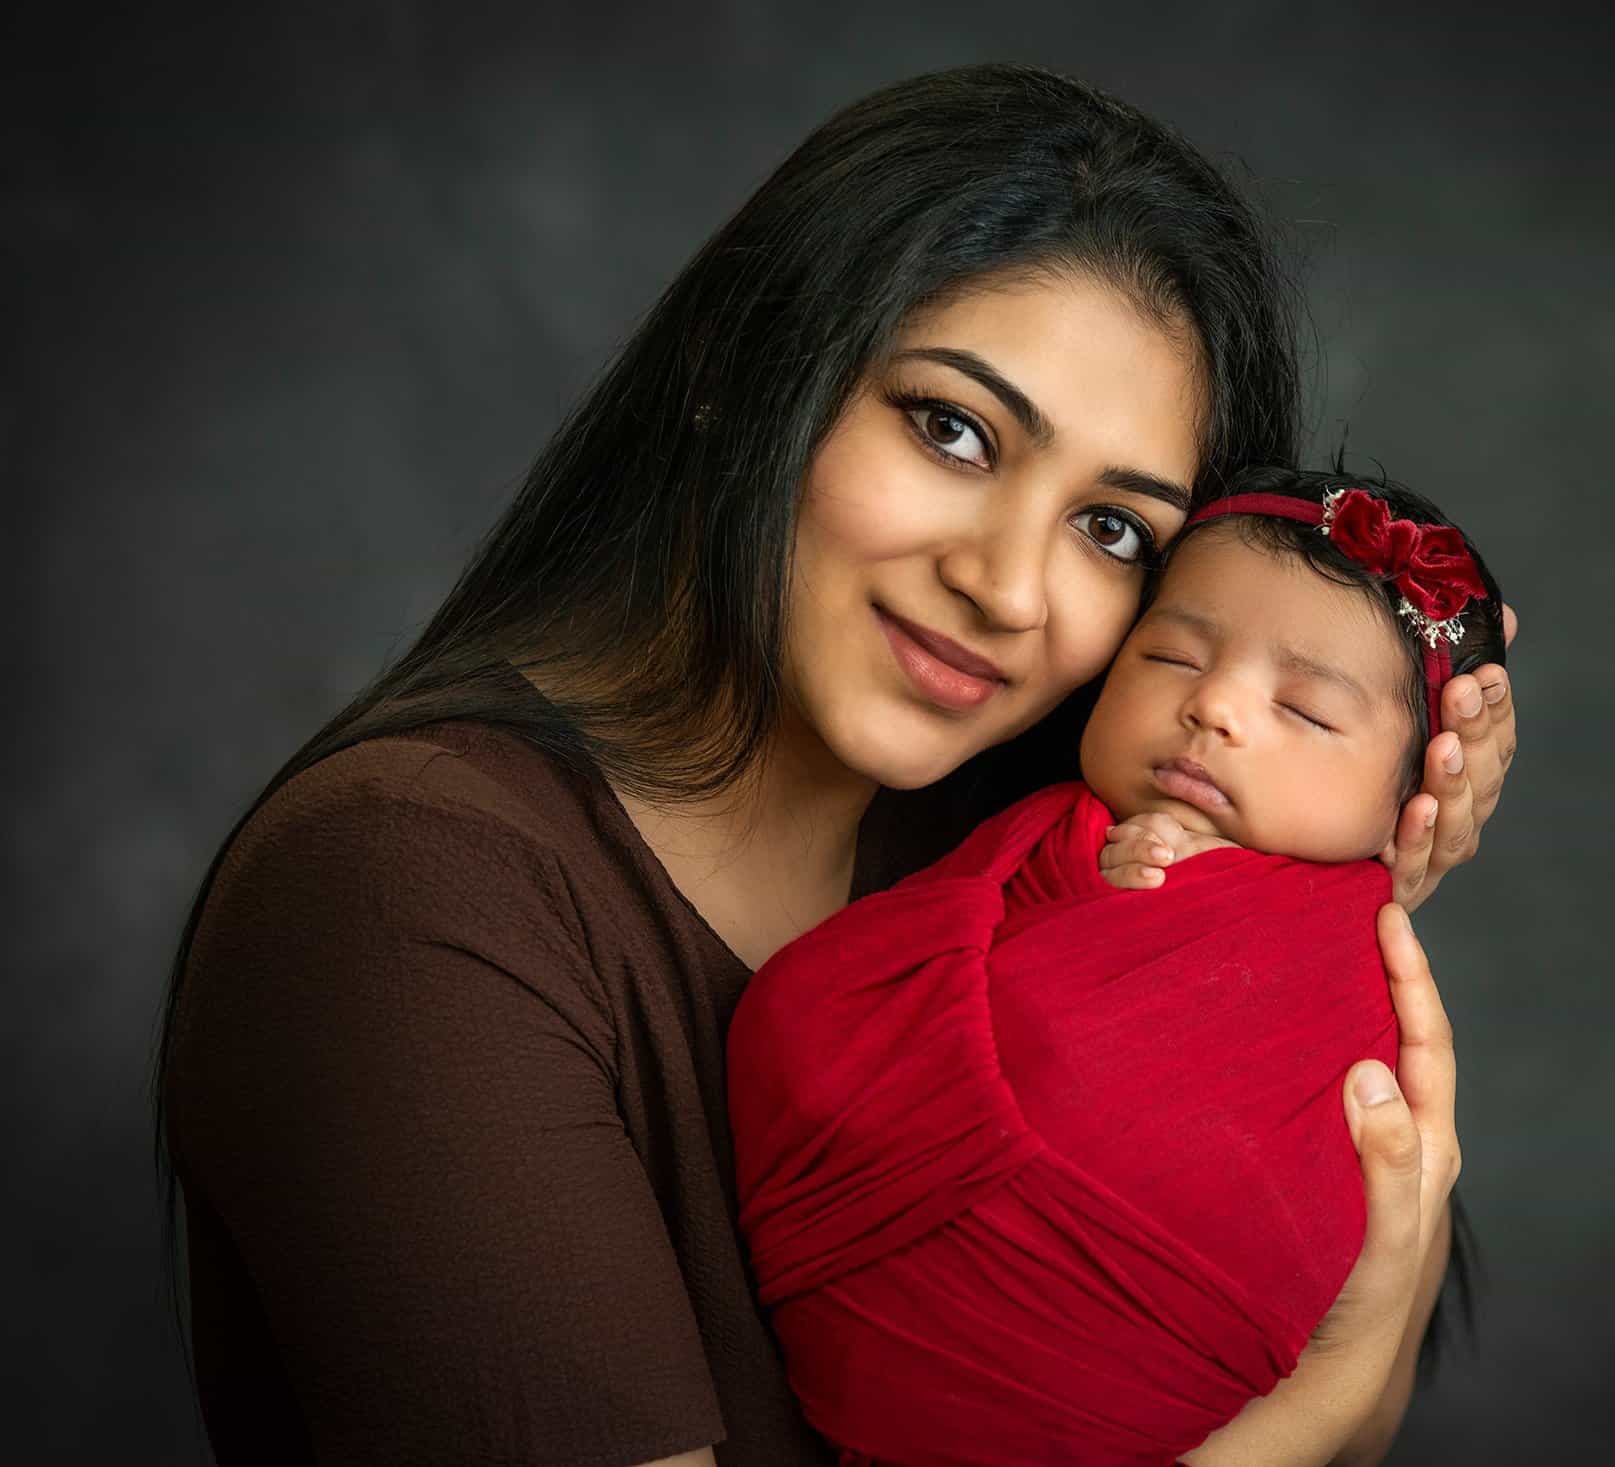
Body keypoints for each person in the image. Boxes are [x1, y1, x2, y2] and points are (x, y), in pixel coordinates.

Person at [156, 65, 1518, 1467]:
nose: (1007, 586)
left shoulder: (1026, 863)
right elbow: (1335, 1389)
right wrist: (1315, 1418)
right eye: (951, 428)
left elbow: (1281, 1323)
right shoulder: (403, 891)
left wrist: (1327, 872)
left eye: (1114, 530)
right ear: (734, 369)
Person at [728, 467, 1504, 1465]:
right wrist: (1079, 873)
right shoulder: (1026, 831)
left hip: (1136, 1374)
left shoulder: (1364, 978)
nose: (1213, 705)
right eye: (1172, 655)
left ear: (1417, 803)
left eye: (1305, 711)